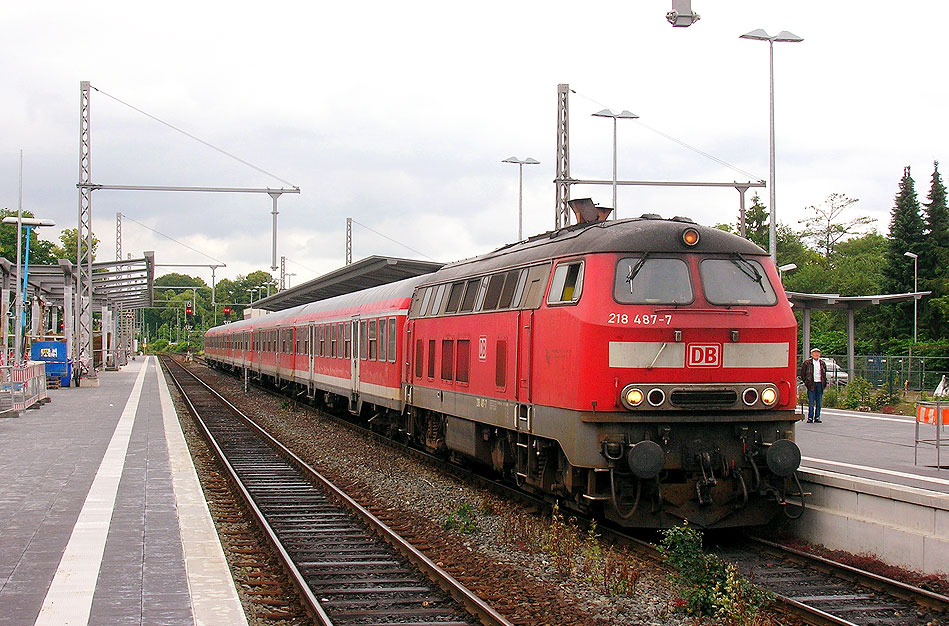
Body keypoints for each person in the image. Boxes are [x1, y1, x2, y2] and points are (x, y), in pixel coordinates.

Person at [799, 347, 828, 423]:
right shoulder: (807, 363)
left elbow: (824, 374)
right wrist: (806, 382)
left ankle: (817, 417)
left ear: (820, 354)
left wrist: (824, 383)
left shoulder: (822, 363)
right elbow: (803, 374)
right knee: (811, 401)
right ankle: (810, 417)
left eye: (817, 353)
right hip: (811, 384)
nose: (816, 354)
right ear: (811, 354)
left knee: (819, 401)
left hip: (820, 384)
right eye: (814, 353)